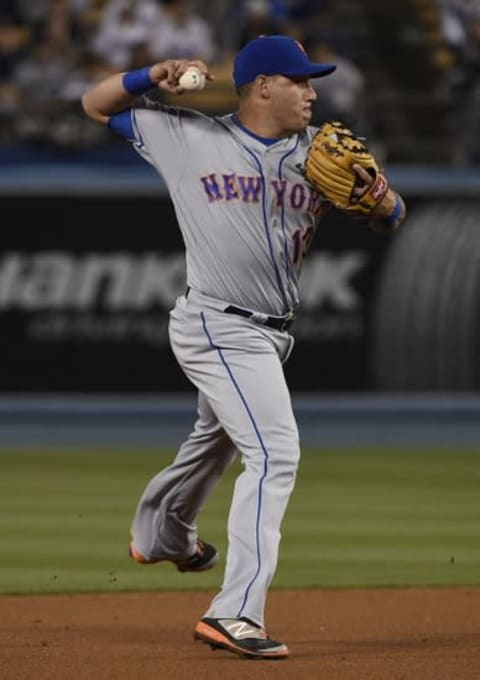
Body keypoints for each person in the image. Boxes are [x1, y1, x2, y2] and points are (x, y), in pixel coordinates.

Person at [81, 34, 406, 660]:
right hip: (216, 324)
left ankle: (161, 535)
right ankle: (234, 613)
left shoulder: (320, 155)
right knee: (276, 452)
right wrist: (153, 73)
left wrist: (382, 201)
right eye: (300, 82)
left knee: (214, 443)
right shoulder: (189, 137)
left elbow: (389, 216)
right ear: (263, 87)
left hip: (269, 333)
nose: (314, 93)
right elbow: (94, 106)